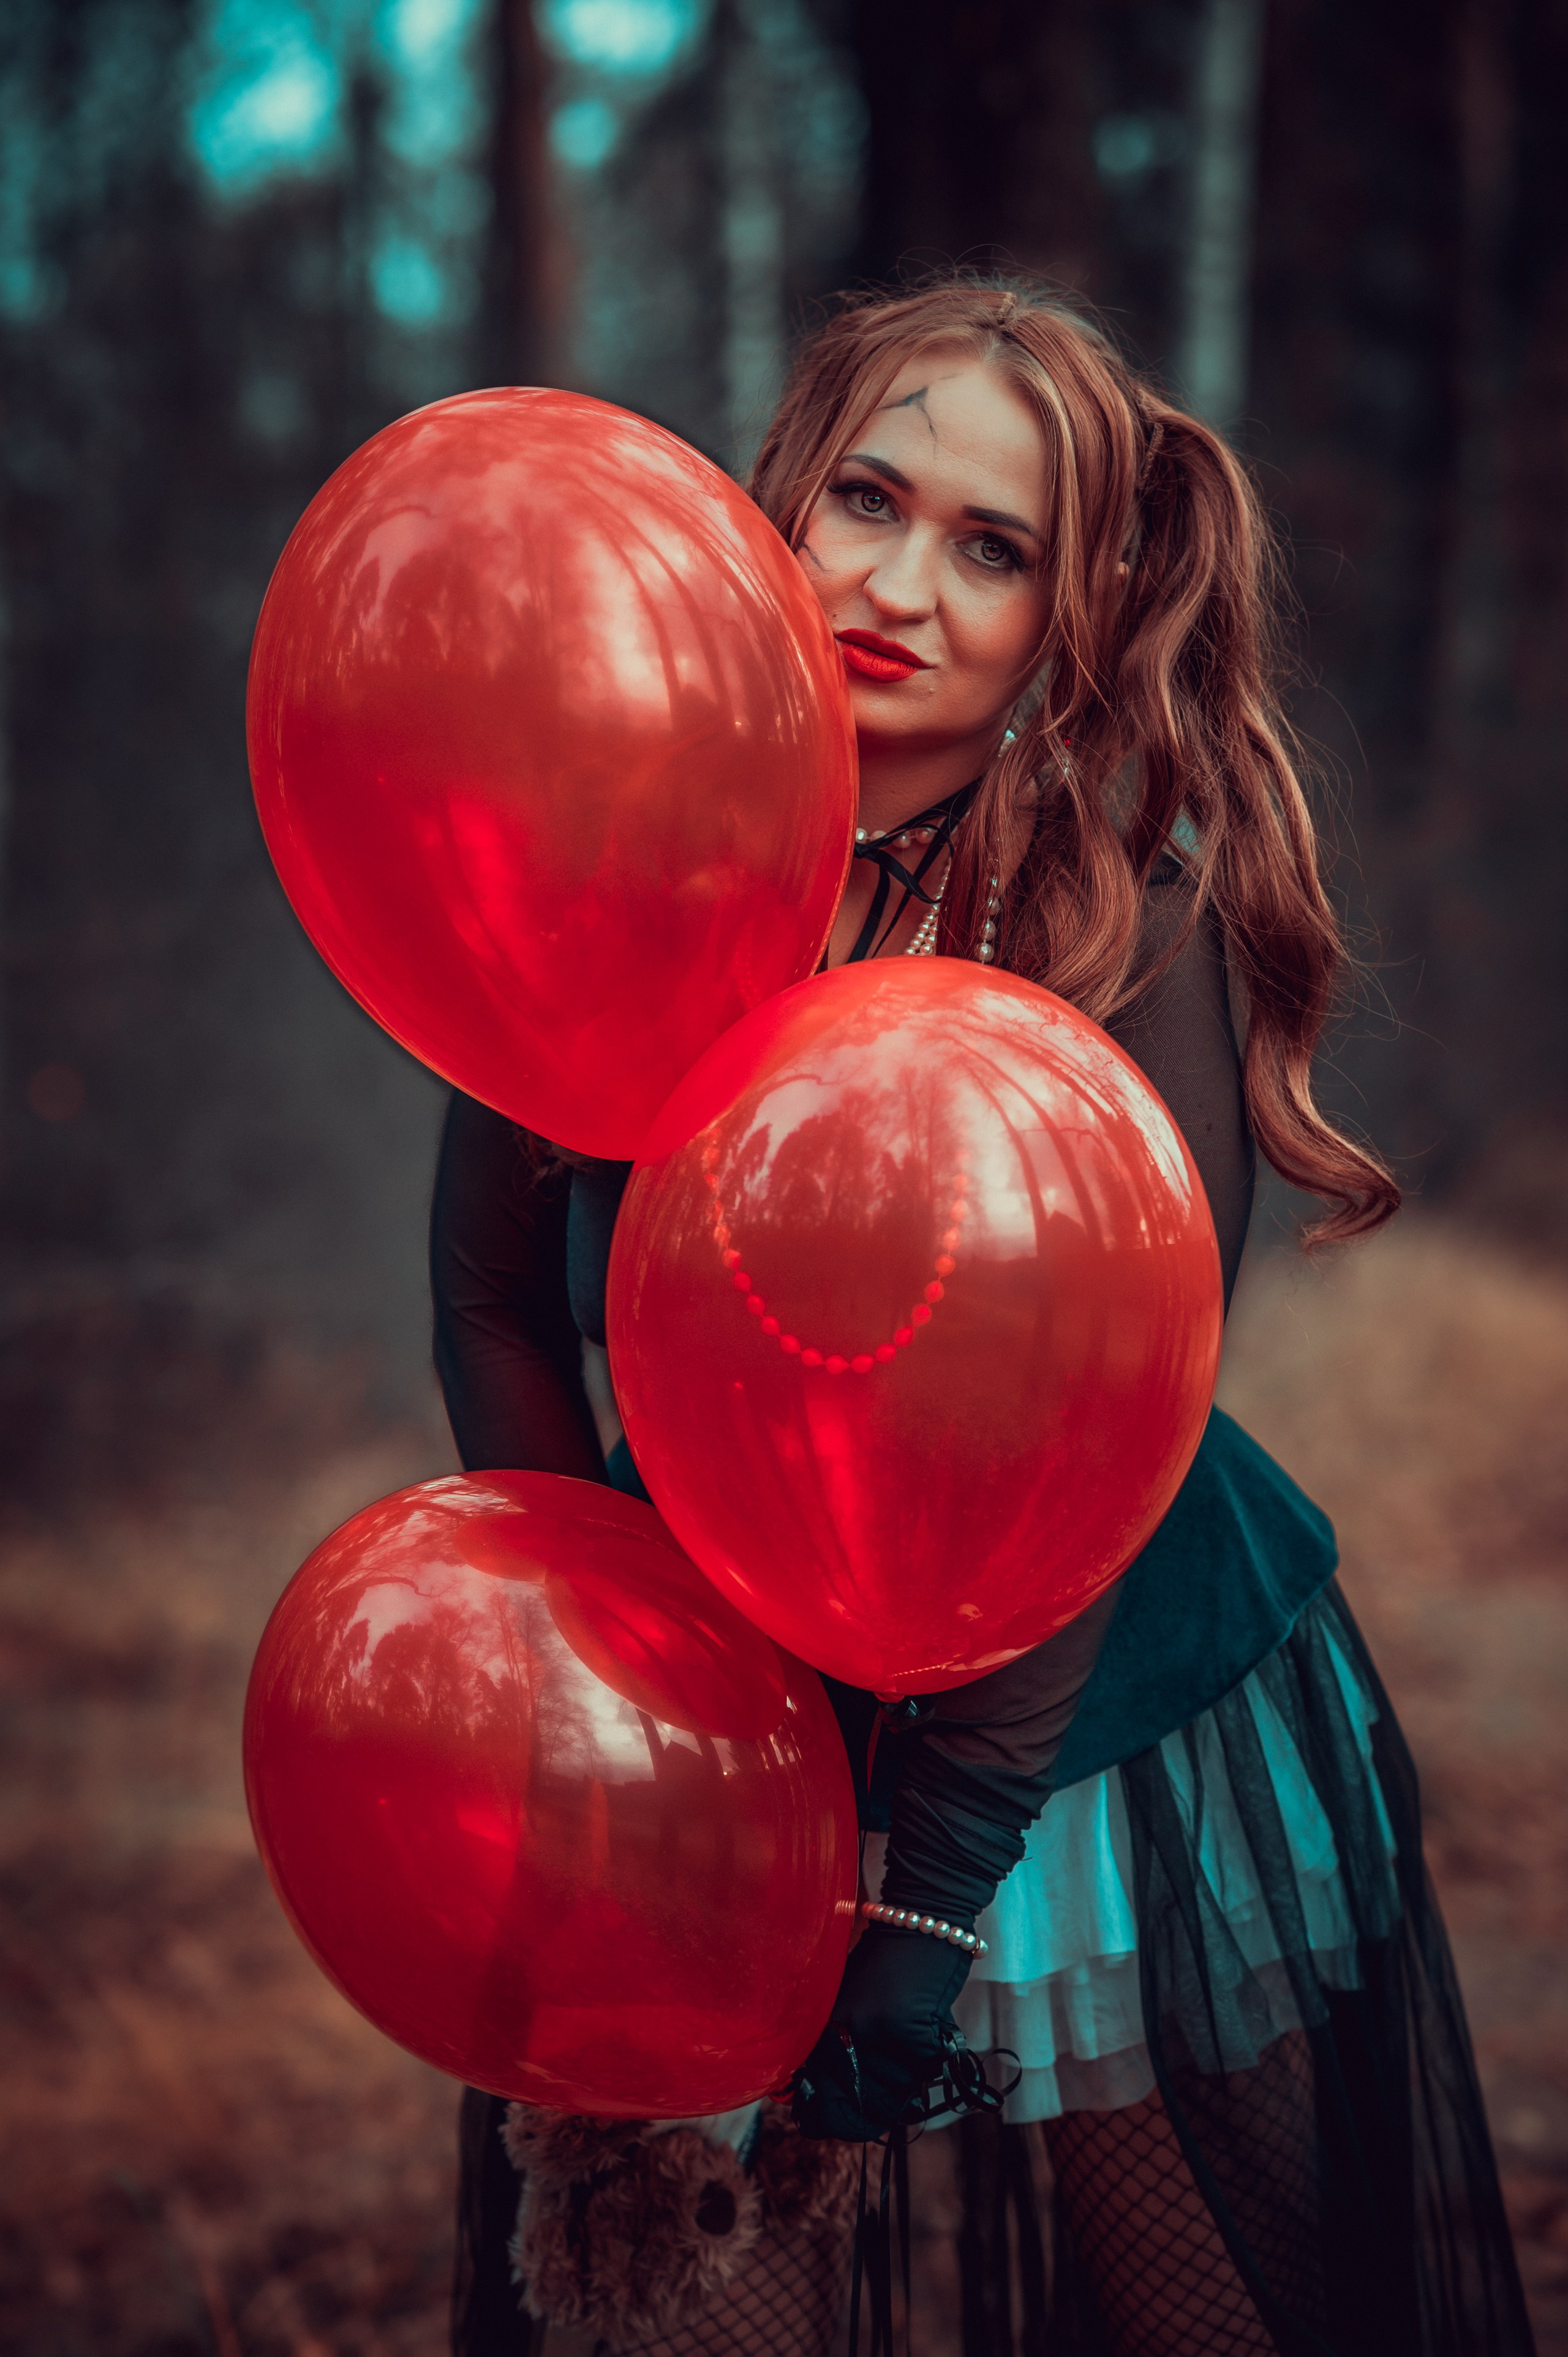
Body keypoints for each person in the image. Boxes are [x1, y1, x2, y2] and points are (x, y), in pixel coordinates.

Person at [433, 278, 1533, 2356]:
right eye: (869, 496)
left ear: (1068, 616)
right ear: (783, 500)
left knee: (1225, 2314)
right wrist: (635, 1708)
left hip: (1089, 1695)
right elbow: (492, 1299)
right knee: (675, 2307)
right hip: (714, 1705)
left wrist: (935, 1891)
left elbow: (1103, 1447)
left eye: (994, 547)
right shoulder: (612, 848)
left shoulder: (1127, 913)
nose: (903, 585)